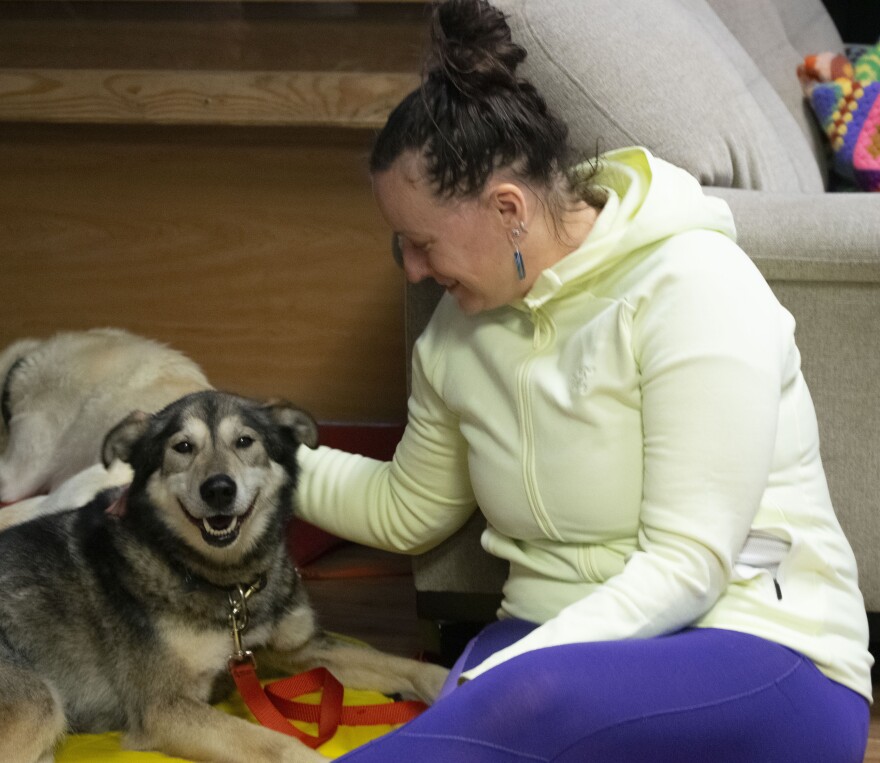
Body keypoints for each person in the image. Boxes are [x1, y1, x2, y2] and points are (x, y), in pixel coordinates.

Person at [296, 0, 873, 759]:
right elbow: (407, 510)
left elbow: (687, 567)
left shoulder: (690, 285)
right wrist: (256, 461)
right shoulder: (454, 336)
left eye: (420, 242)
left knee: (518, 701)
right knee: (499, 697)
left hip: (754, 646)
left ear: (508, 208)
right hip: (546, 650)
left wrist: (514, 673)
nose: (410, 269)